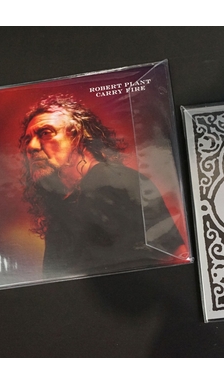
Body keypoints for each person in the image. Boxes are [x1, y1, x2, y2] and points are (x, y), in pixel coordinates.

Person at [19, 94, 186, 278]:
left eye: (45, 133)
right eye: (27, 140)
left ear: (77, 135)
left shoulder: (115, 182)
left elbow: (176, 255)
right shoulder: (63, 201)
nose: (31, 146)